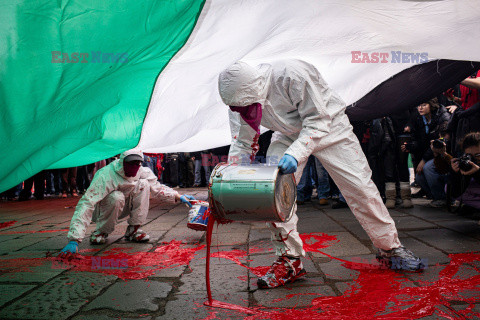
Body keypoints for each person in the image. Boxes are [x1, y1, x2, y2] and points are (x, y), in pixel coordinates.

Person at [218, 60, 424, 289]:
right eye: (239, 109)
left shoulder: (291, 74)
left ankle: (389, 248)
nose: (244, 113)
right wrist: (231, 183)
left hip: (331, 128)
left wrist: (296, 153)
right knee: (274, 194)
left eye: (247, 107)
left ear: (256, 90)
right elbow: (242, 144)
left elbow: (318, 120)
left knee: (360, 187)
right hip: (287, 135)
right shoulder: (239, 102)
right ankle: (290, 259)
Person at [59, 149, 196, 258]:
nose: (135, 167)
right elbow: (87, 203)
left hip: (125, 205)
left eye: (138, 163)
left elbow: (157, 188)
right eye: (131, 163)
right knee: (116, 197)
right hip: (104, 209)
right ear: (122, 162)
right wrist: (74, 239)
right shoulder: (106, 175)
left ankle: (133, 229)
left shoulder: (141, 172)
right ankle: (101, 232)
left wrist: (179, 196)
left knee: (144, 184)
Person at [402, 98, 450, 207]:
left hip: (444, 153)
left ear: (431, 105)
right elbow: (420, 140)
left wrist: (424, 160)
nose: (420, 108)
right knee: (419, 176)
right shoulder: (419, 118)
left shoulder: (442, 117)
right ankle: (433, 195)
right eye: (418, 105)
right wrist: (410, 146)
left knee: (427, 168)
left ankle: (442, 198)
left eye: (423, 105)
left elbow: (442, 141)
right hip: (430, 153)